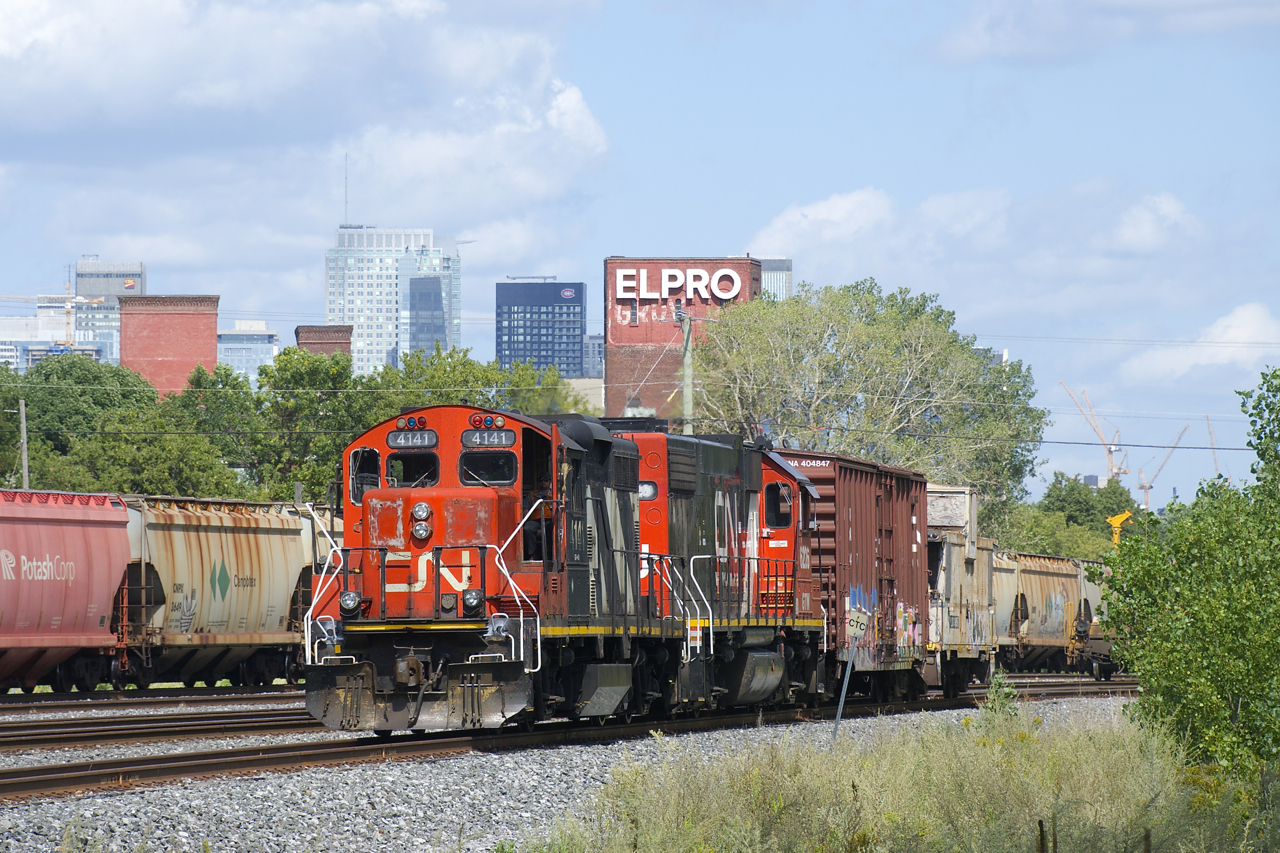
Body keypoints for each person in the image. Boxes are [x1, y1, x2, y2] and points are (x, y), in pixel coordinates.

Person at [523, 476, 554, 560]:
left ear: (550, 482)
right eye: (541, 480)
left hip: (549, 519)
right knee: (527, 528)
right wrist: (525, 509)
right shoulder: (531, 494)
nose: (543, 482)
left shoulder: (554, 494)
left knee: (552, 528)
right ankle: (532, 554)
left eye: (546, 480)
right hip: (535, 519)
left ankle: (550, 554)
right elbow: (525, 505)